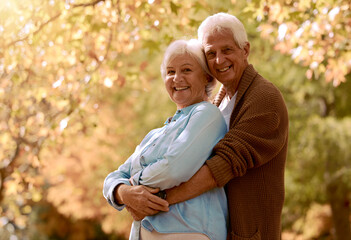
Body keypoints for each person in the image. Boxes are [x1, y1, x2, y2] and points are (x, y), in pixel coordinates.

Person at [117, 13, 289, 240]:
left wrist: (155, 201)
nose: (219, 60)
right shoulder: (218, 101)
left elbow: (219, 168)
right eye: (211, 53)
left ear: (245, 50)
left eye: (227, 50)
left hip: (251, 232)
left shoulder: (263, 98)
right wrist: (124, 192)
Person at [103, 39, 228, 240]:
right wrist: (123, 192)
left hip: (190, 231)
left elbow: (174, 168)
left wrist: (132, 183)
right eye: (170, 72)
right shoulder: (154, 135)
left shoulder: (207, 114)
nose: (177, 78)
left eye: (186, 70)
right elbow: (113, 177)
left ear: (206, 77)